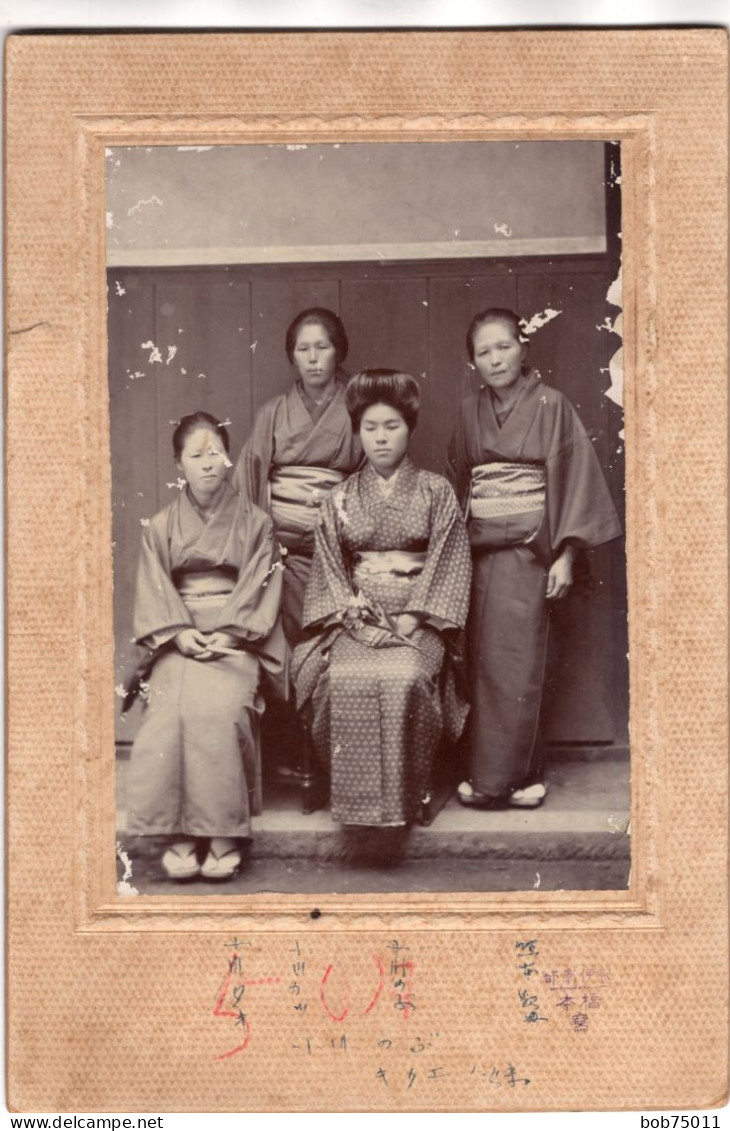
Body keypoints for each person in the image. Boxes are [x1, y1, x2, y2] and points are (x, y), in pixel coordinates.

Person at [447, 308, 623, 810]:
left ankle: (517, 778)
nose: (495, 358)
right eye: (484, 351)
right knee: (480, 666)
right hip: (480, 557)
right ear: (473, 362)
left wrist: (566, 555)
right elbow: (460, 485)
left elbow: (574, 481)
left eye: (504, 346)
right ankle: (491, 774)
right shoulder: (467, 411)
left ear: (524, 349)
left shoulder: (552, 405)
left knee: (521, 666)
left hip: (531, 556)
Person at [294, 370, 472, 827]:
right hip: (357, 621)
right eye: (370, 428)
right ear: (358, 432)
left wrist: (416, 615)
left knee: (409, 675)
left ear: (409, 428)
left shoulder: (436, 491)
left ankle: (409, 795)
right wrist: (354, 617)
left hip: (420, 621)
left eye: (391, 426)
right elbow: (331, 570)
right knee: (338, 678)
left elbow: (448, 561)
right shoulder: (340, 498)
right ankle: (355, 802)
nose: (380, 438)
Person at [124, 412, 287, 881]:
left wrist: (232, 632)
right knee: (168, 712)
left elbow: (262, 583)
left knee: (219, 711)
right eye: (195, 455)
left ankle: (221, 833)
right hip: (180, 637)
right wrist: (177, 633)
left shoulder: (256, 523)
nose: (208, 462)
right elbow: (154, 589)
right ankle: (176, 835)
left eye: (215, 451)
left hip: (235, 637)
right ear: (180, 464)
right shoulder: (159, 526)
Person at [233, 307, 362, 793]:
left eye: (322, 347)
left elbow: (373, 476)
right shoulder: (273, 413)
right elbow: (250, 483)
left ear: (339, 350)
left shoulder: (358, 407)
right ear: (292, 356)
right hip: (279, 555)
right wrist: (264, 545)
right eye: (303, 349)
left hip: (338, 555)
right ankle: (292, 753)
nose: (313, 358)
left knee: (331, 652)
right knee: (278, 650)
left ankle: (332, 757)